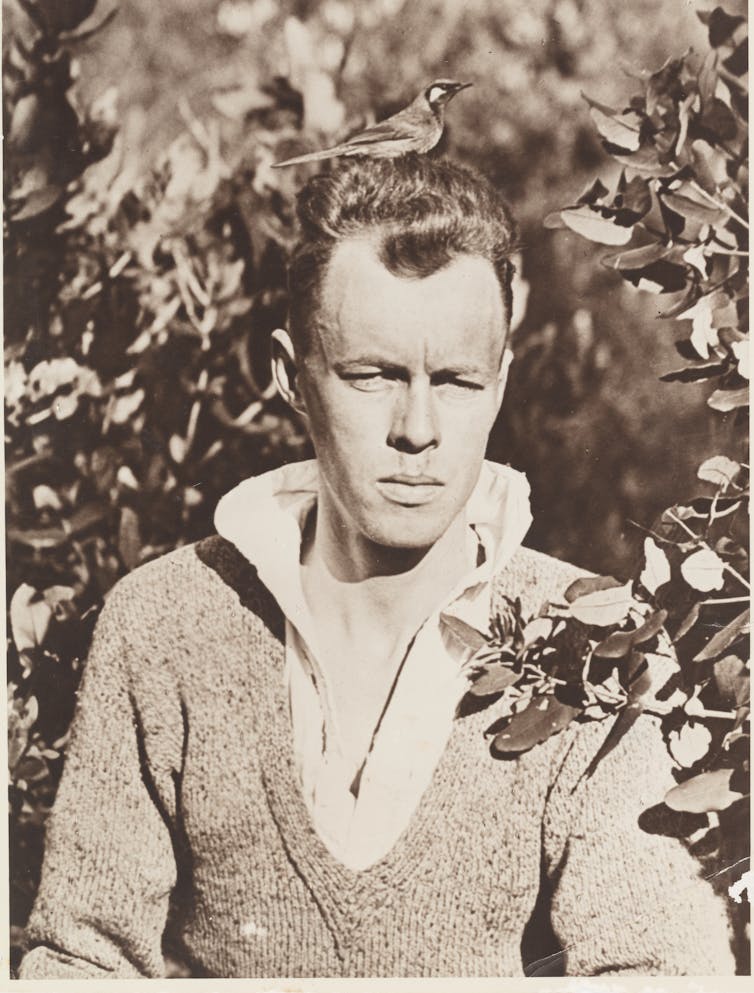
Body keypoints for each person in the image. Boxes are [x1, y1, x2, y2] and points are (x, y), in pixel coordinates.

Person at [19, 155, 734, 979]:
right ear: (292, 376)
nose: (418, 428)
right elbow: (79, 962)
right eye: (373, 375)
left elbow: (666, 971)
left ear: (501, 384)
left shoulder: (593, 649)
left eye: (458, 381)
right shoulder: (163, 626)